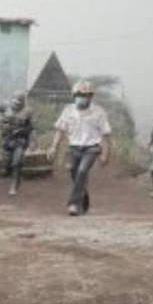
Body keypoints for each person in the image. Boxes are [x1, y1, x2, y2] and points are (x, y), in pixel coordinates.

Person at [46, 81, 112, 216]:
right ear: (74, 96)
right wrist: (53, 147)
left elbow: (105, 135)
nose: (81, 97)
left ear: (90, 97)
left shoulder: (99, 112)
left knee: (82, 171)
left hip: (92, 148)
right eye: (78, 95)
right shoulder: (68, 111)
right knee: (75, 174)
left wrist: (105, 154)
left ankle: (73, 204)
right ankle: (83, 196)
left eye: (85, 95)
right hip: (74, 147)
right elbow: (60, 131)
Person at [0, 91, 34, 196]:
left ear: (23, 102)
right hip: (7, 139)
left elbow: (31, 128)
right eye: (15, 102)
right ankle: (11, 175)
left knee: (17, 163)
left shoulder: (27, 112)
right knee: (6, 165)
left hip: (20, 140)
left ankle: (14, 186)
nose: (16, 105)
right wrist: (0, 120)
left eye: (19, 103)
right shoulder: (5, 106)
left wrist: (32, 141)